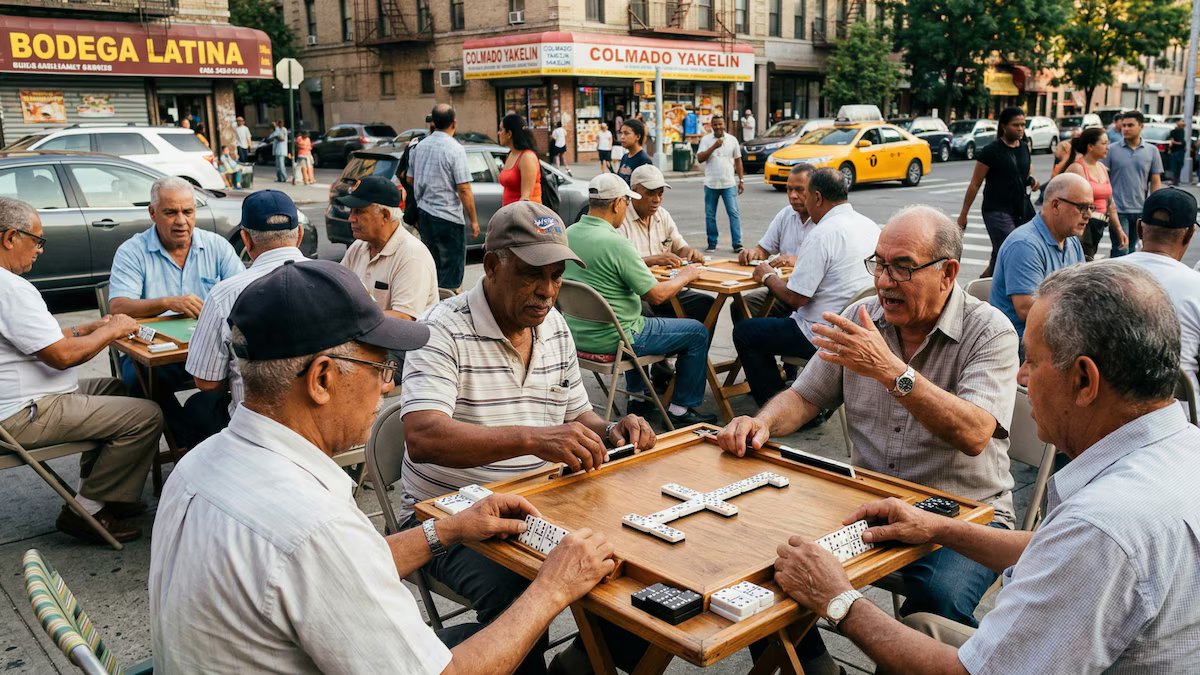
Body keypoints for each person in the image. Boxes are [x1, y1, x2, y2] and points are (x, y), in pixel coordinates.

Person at [150, 259, 617, 673]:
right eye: (380, 368)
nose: (388, 386)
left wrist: (447, 530)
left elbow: (335, 574)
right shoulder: (315, 527)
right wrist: (553, 588)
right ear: (322, 379)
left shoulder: (197, 465)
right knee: (520, 622)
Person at [773, 261, 1200, 673]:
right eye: (879, 264)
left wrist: (837, 599)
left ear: (1084, 381)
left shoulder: (1103, 528)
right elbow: (1057, 548)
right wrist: (938, 527)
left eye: (1032, 360)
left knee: (919, 608)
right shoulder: (1181, 451)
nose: (1021, 376)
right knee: (917, 621)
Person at [719, 206, 1020, 658]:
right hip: (869, 504)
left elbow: (975, 433)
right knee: (766, 562)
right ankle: (817, 667)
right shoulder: (863, 316)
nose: (883, 281)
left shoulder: (989, 330)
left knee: (937, 603)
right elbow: (804, 397)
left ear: (948, 273)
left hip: (965, 515)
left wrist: (890, 371)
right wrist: (762, 422)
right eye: (879, 263)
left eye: (902, 267)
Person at [400, 201, 654, 674]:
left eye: (557, 276)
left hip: (542, 501)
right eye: (532, 274)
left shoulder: (552, 326)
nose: (547, 291)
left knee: (633, 565)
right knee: (520, 588)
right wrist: (533, 439)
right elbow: (423, 436)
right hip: (448, 519)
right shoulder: (441, 330)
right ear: (492, 265)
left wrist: (612, 429)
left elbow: (577, 413)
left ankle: (580, 663)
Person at [0, 197, 162, 544]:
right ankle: (85, 510)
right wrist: (111, 331)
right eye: (37, 240)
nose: (40, 250)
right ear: (10, 237)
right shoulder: (10, 288)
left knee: (119, 389)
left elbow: (43, 339)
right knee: (147, 415)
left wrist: (91, 326)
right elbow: (62, 357)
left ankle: (105, 495)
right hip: (25, 411)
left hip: (31, 399)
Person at [564, 174, 717, 426]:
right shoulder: (616, 243)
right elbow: (656, 295)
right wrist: (686, 276)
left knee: (641, 316)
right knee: (697, 332)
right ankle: (680, 409)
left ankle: (639, 398)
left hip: (579, 337)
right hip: (619, 339)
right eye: (626, 202)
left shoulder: (569, 234)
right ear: (617, 204)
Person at [108, 176, 243, 445]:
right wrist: (167, 303)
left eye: (188, 211)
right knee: (137, 381)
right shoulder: (132, 251)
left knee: (245, 371)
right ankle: (187, 440)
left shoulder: (216, 246)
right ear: (153, 213)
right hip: (154, 355)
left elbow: (243, 296)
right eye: (171, 212)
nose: (181, 221)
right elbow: (118, 307)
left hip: (208, 350)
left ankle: (205, 434)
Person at [731, 168, 880, 406]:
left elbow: (796, 299)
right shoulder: (870, 226)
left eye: (805, 194)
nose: (797, 199)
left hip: (822, 330)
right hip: (863, 323)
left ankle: (782, 404)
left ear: (817, 198)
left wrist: (768, 276)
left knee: (746, 332)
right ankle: (795, 385)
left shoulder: (822, 233)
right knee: (760, 314)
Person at [184, 190, 310, 442]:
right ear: (299, 235)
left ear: (246, 239)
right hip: (325, 423)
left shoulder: (225, 294)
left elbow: (206, 381)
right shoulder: (340, 279)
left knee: (198, 407)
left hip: (258, 430)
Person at [1116, 187, 1200, 400]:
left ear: (1139, 228)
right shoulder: (1195, 285)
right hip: (1181, 417)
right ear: (1190, 233)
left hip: (1103, 415)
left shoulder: (1094, 274)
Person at [990, 174, 1090, 344]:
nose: (1088, 215)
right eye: (1082, 207)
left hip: (1054, 334)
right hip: (1021, 342)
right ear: (1056, 205)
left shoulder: (1072, 241)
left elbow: (1083, 292)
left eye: (1091, 207)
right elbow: (1026, 309)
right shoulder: (1025, 245)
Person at [616, 165, 711, 324]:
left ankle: (691, 348)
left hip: (667, 289)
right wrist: (654, 259)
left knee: (706, 304)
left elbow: (680, 247)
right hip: (639, 293)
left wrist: (690, 252)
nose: (657, 200)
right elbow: (621, 265)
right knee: (646, 315)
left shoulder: (662, 215)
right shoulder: (621, 220)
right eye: (650, 193)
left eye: (661, 194)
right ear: (634, 192)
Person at [336, 176, 438, 320]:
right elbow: (337, 291)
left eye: (359, 211)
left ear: (385, 215)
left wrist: (351, 321)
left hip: (399, 340)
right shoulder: (358, 247)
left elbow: (404, 318)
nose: (351, 218)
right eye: (351, 211)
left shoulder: (412, 254)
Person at [957, 106, 1038, 277]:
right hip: (997, 210)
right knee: (1011, 249)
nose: (1020, 129)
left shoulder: (1024, 147)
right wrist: (963, 214)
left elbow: (1024, 173)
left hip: (1021, 208)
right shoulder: (991, 151)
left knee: (1000, 254)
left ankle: (979, 290)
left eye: (1023, 125)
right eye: (1016, 125)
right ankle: (1007, 292)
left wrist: (1031, 180)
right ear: (1003, 126)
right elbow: (975, 184)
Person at [410, 104, 481, 291]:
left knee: (432, 267)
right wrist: (473, 221)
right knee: (451, 272)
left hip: (424, 214)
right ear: (454, 123)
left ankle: (431, 307)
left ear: (433, 122)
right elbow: (464, 188)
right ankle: (448, 309)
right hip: (448, 217)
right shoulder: (455, 149)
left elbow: (410, 178)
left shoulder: (420, 146)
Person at [735, 163, 818, 321]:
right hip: (784, 287)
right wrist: (753, 253)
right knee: (742, 306)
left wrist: (796, 260)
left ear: (815, 193)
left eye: (799, 190)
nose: (793, 195)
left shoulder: (824, 221)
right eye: (789, 189)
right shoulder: (786, 215)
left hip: (810, 296)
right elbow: (764, 249)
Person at [1104, 110, 1164, 257]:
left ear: (1141, 126)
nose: (1126, 129)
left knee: (1132, 251)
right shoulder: (1111, 150)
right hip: (1117, 210)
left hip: (1140, 210)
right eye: (1124, 125)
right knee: (1121, 250)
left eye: (1130, 125)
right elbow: (1104, 179)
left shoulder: (1152, 151)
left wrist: (1154, 207)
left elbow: (1155, 182)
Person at [1062, 128, 1127, 260]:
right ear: (1090, 146)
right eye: (1103, 144)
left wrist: (1119, 230)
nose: (1107, 147)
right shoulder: (1077, 168)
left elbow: (1110, 203)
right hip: (1083, 226)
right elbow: (1066, 201)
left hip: (1099, 225)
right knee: (1082, 263)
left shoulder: (1102, 168)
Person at [696, 114, 745, 253]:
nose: (718, 127)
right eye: (715, 124)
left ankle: (737, 243)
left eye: (720, 124)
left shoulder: (732, 140)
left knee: (733, 213)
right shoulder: (706, 140)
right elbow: (700, 158)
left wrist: (741, 180)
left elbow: (738, 160)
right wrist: (714, 146)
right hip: (711, 183)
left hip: (728, 183)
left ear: (724, 125)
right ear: (711, 126)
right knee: (710, 215)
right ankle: (712, 242)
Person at [498, 113, 543, 206]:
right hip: (509, 213)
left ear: (509, 134)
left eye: (501, 130)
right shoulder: (510, 154)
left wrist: (514, 217)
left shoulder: (527, 157)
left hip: (525, 216)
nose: (498, 133)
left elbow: (526, 197)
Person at [615, 118, 652, 185]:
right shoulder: (625, 157)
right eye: (621, 133)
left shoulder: (644, 160)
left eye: (626, 133)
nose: (622, 137)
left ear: (637, 136)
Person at [1168, 118, 1187, 185]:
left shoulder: (1182, 131)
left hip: (1180, 151)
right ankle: (1172, 180)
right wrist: (1171, 148)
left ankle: (1176, 180)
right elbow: (1172, 141)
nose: (1183, 123)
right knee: (1174, 166)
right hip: (1176, 151)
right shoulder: (1174, 131)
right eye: (1182, 121)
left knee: (1179, 165)